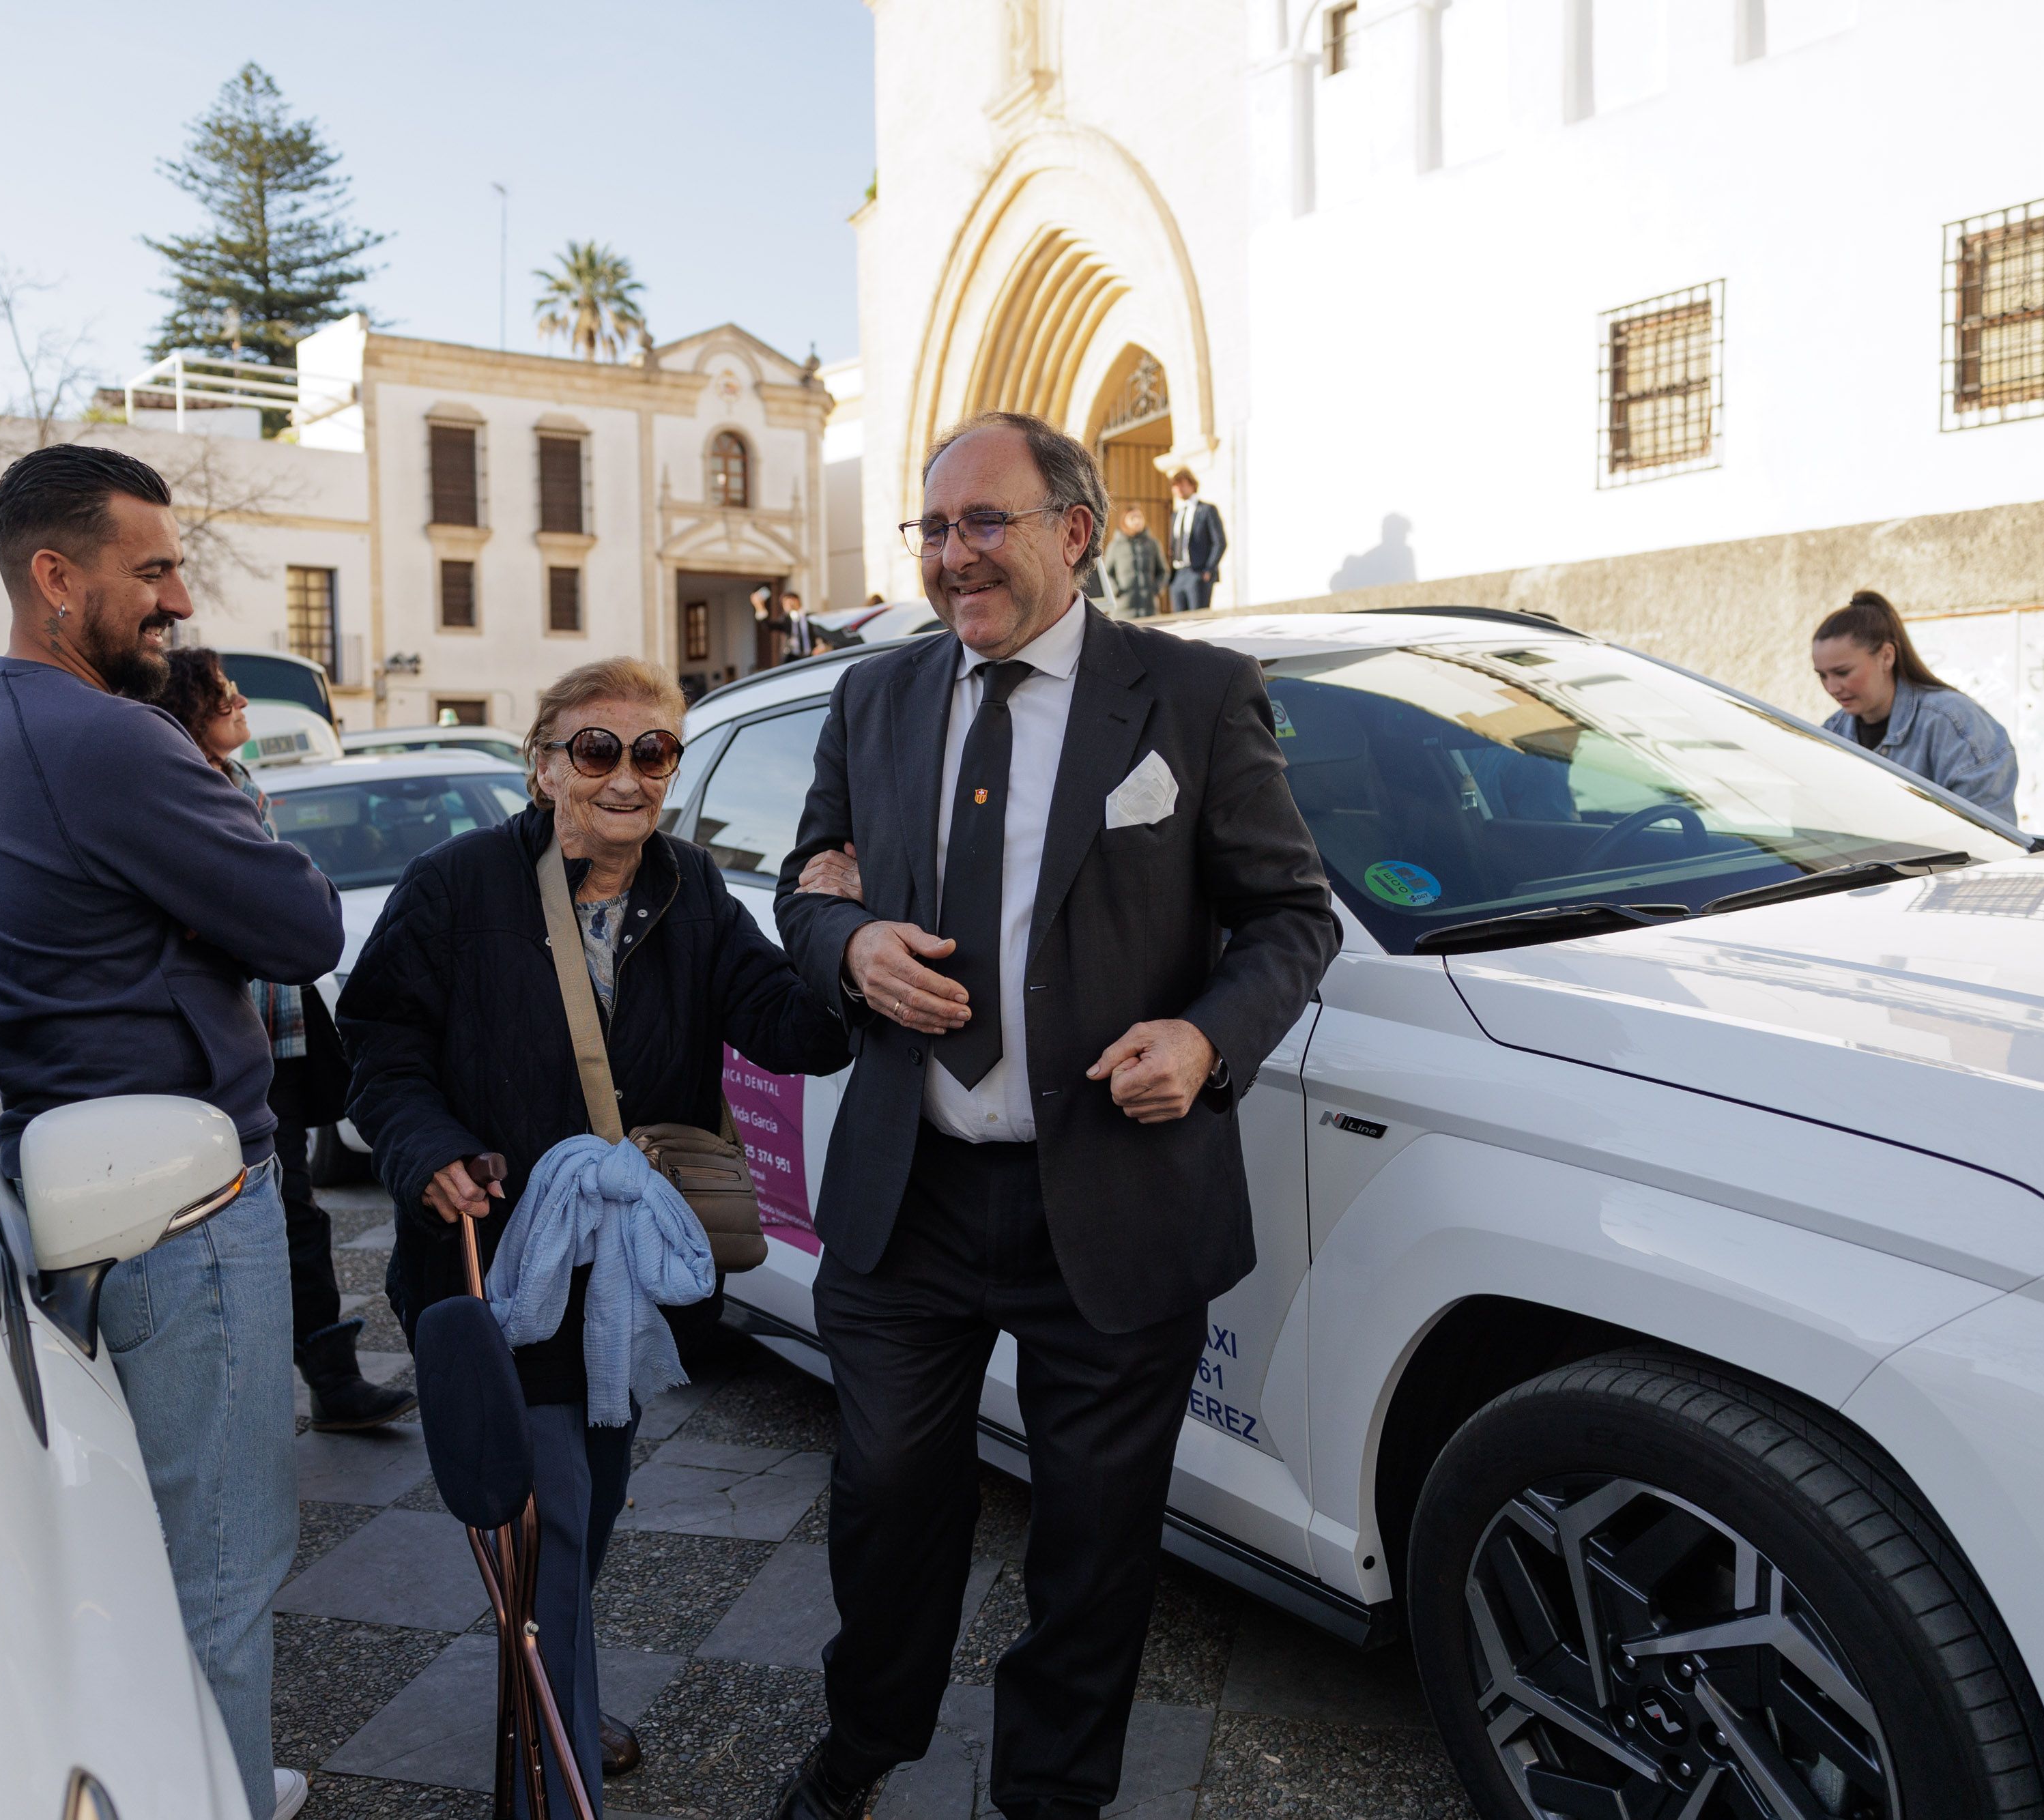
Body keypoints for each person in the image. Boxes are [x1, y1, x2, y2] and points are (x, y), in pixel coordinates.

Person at [769, 412, 1340, 1820]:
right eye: (933, 528)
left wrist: (1206, 1037)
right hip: (909, 1195)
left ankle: (1050, 1795)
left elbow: (1288, 916)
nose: (953, 557)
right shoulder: (874, 696)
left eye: (985, 523)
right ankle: (867, 1734)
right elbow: (804, 881)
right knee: (886, 1499)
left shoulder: (1194, 697)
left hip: (1113, 1192)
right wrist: (842, 942)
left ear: (1072, 530)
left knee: (1093, 1544)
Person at [339, 657, 850, 1816]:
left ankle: (553, 1677)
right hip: (491, 1258)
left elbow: (790, 1029)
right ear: (543, 763)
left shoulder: (694, 892)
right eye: (596, 749)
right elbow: (377, 1045)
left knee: (584, 1511)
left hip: (616, 1282)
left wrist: (847, 939)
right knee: (553, 1511)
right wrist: (429, 1152)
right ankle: (549, 1776)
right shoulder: (457, 886)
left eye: (654, 751)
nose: (626, 774)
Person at [0, 443, 341, 1820]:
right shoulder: (107, 738)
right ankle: (218, 1792)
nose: (179, 598)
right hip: (183, 1212)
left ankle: (207, 1776)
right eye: (152, 568)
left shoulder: (5, 723)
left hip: (97, 1197)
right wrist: (217, 785)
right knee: (223, 1567)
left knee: (156, 1551)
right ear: (57, 577)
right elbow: (301, 924)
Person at [150, 646, 418, 1430]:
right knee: (229, 1218)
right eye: (223, 693)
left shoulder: (235, 782)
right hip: (216, 1043)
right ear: (186, 710)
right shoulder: (185, 793)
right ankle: (250, 1390)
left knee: (295, 1208)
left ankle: (331, 1381)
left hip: (277, 1031)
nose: (240, 703)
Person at [1812, 590, 2018, 822]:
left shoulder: (1953, 722)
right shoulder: (1832, 733)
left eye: (1843, 673)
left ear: (1887, 657)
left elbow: (1990, 839)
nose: (1832, 688)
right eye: (1822, 676)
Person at [1164, 467, 1225, 614]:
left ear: (1192, 485)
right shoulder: (1176, 514)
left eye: (1182, 484)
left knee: (1198, 620)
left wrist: (1208, 569)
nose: (1178, 489)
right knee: (1179, 623)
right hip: (1178, 575)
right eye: (1175, 485)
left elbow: (1220, 542)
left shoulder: (1207, 510)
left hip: (1197, 573)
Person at [1099, 504, 1167, 619]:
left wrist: (1156, 589)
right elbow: (1106, 573)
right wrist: (1116, 591)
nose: (1137, 521)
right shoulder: (1115, 546)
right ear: (1124, 521)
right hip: (1123, 609)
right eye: (1132, 518)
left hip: (1149, 609)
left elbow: (1164, 571)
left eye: (1140, 517)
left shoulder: (1153, 544)